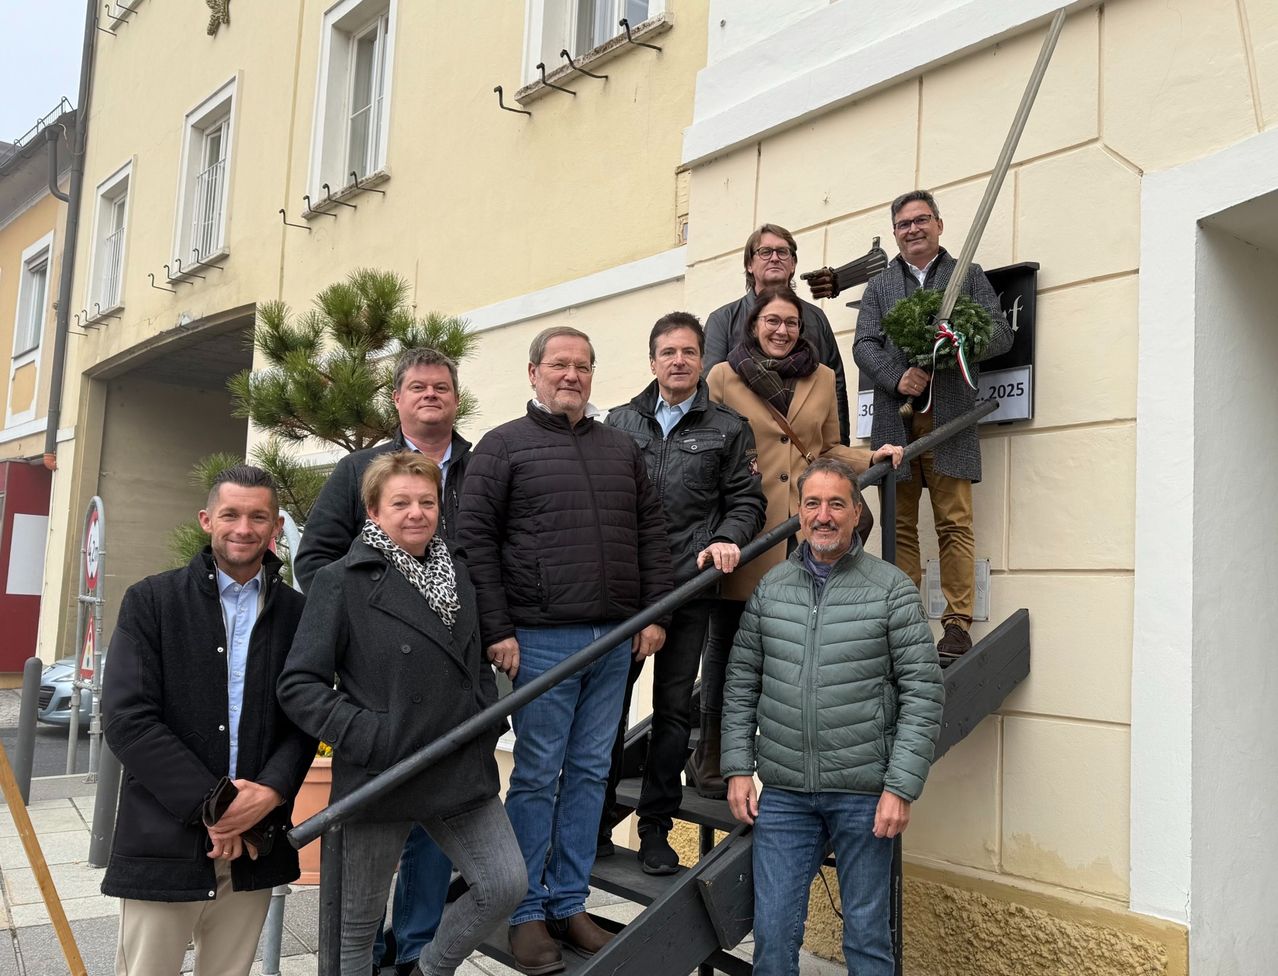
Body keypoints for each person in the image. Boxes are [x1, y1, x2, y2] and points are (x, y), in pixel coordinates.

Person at [457, 326, 673, 974]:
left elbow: (650, 529)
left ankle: (569, 902)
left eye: (583, 365)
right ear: (533, 373)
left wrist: (654, 611)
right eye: (559, 365)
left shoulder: (620, 448)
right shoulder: (502, 448)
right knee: (536, 777)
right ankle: (524, 915)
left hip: (613, 642)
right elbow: (474, 543)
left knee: (588, 774)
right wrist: (498, 630)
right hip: (541, 642)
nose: (572, 375)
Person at [278, 452, 525, 976]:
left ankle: (427, 970)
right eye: (400, 503)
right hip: (381, 770)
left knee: (505, 883)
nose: (416, 513)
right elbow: (299, 685)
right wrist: (370, 735)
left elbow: (476, 660)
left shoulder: (457, 571)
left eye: (426, 502)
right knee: (355, 930)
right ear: (373, 511)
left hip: (456, 761)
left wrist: (483, 718)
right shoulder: (340, 581)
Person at [721, 458, 944, 976]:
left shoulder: (891, 589)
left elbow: (923, 694)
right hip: (784, 796)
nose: (825, 516)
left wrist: (900, 788)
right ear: (799, 514)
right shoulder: (772, 590)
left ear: (856, 513)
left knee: (867, 940)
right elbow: (739, 686)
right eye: (814, 504)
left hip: (865, 795)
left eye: (837, 503)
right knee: (773, 940)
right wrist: (737, 767)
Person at [100, 466, 314, 976]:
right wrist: (216, 805)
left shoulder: (299, 614)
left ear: (276, 526)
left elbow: (307, 717)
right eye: (231, 514)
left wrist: (272, 792)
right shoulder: (151, 601)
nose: (244, 527)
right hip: (164, 840)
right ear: (206, 520)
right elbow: (128, 718)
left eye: (258, 516)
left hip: (255, 846)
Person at [294, 346, 466, 974]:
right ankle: (358, 957)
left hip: (448, 677)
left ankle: (416, 948)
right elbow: (313, 561)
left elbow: (484, 562)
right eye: (417, 386)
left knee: (435, 826)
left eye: (441, 387)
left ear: (455, 398)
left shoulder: (478, 464)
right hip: (380, 678)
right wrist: (350, 629)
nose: (430, 395)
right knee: (370, 839)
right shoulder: (358, 469)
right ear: (396, 399)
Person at [701, 286, 903, 798]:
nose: (782, 330)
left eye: (791, 322)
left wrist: (870, 457)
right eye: (772, 320)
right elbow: (711, 445)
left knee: (793, 648)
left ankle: (780, 760)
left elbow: (828, 446)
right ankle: (712, 759)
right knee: (728, 649)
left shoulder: (823, 376)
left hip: (806, 527)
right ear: (754, 325)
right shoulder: (723, 377)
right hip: (749, 527)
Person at [601, 312, 767, 873]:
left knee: (673, 713)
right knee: (608, 711)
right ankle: (597, 820)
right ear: (652, 361)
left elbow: (748, 500)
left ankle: (654, 829)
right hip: (624, 593)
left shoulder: (727, 426)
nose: (678, 361)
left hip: (689, 588)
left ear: (702, 361)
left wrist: (727, 538)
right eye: (667, 352)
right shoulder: (618, 424)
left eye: (688, 352)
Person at [852, 189, 1012, 661]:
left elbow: (1000, 335)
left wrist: (955, 343)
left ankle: (957, 624)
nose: (913, 229)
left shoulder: (969, 276)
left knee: (954, 524)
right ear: (896, 232)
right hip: (896, 424)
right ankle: (904, 626)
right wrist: (896, 376)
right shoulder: (879, 288)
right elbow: (864, 345)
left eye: (922, 220)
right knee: (899, 527)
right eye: (904, 224)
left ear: (939, 225)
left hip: (951, 420)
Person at [704, 224, 851, 444]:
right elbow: (708, 392)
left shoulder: (816, 318)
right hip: (743, 453)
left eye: (783, 252)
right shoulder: (723, 320)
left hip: (805, 457)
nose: (775, 258)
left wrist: (840, 446)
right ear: (749, 265)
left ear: (792, 264)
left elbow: (836, 386)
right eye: (765, 252)